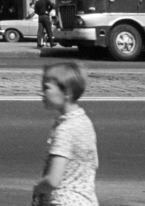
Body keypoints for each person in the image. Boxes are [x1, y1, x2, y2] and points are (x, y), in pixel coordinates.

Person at [32, 61, 97, 206]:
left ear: (67, 92)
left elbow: (53, 180)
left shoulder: (65, 129)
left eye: (46, 88)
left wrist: (37, 188)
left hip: (63, 201)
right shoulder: (85, 122)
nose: (42, 93)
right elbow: (93, 163)